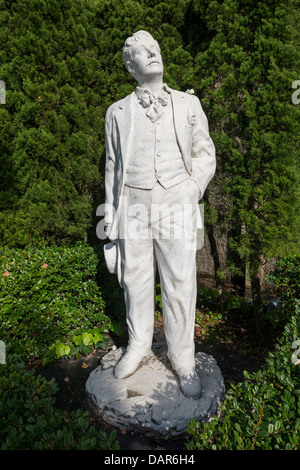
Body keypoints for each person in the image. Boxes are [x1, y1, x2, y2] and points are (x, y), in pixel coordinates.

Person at [104, 30, 216, 399]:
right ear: (129, 65)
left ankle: (183, 358)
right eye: (142, 52)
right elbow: (112, 167)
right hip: (132, 201)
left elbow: (205, 153)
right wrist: (112, 221)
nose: (153, 54)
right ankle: (139, 345)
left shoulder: (188, 105)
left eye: (155, 48)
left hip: (176, 200)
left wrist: (192, 187)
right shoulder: (116, 112)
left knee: (180, 281)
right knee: (134, 278)